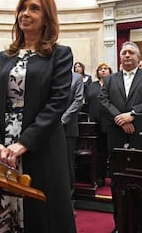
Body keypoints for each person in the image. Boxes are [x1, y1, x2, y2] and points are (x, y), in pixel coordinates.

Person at [0, 0, 77, 233]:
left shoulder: (60, 54)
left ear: (47, 18)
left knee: (43, 215)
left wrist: (24, 142)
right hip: (3, 148)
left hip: (41, 143)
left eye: (34, 9)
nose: (25, 14)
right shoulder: (4, 57)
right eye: (23, 8)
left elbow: (58, 102)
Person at [98, 41, 142, 233]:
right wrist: (120, 118)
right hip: (117, 136)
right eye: (123, 52)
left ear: (137, 56)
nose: (126, 55)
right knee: (118, 183)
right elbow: (102, 100)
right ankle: (121, 225)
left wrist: (133, 114)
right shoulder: (110, 79)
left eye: (130, 53)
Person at [86, 62, 112, 186]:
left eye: (105, 69)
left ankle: (113, 177)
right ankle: (99, 177)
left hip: (110, 123)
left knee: (110, 151)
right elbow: (87, 101)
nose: (103, 71)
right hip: (94, 123)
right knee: (98, 152)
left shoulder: (113, 84)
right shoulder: (92, 85)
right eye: (100, 69)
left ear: (110, 71)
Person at [62, 71, 84, 210]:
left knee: (67, 163)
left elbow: (78, 100)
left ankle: (69, 199)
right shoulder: (51, 74)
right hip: (47, 127)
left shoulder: (76, 78)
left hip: (67, 128)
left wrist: (62, 119)